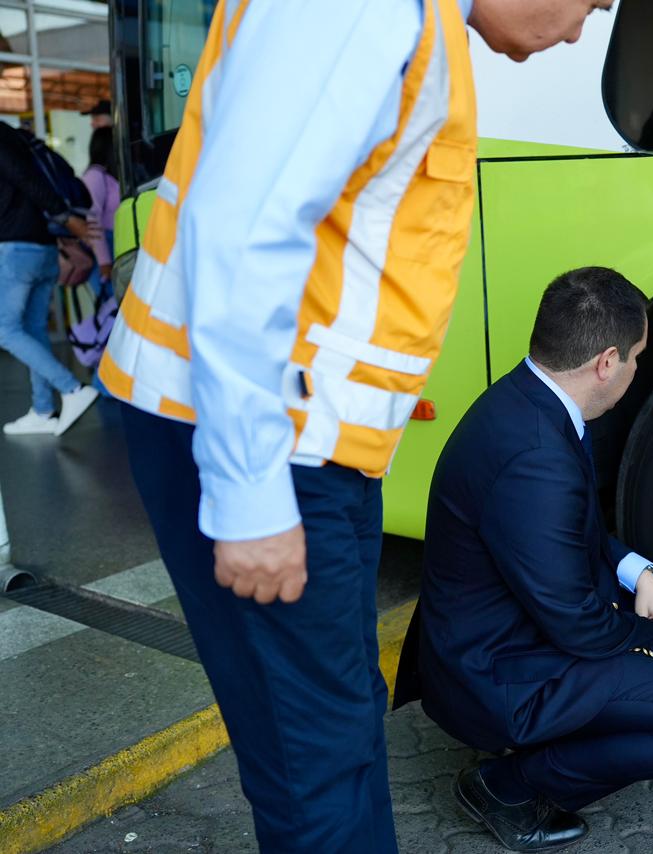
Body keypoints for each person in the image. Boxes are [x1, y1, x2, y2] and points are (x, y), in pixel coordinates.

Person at [98, 1, 616, 852]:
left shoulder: (418, 20)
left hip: (306, 444)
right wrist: (252, 494)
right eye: (592, 3)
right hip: (272, 440)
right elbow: (245, 232)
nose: (578, 31)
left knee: (337, 734)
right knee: (316, 760)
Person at [393, 268, 653, 852]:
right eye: (636, 357)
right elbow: (574, 619)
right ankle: (506, 785)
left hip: (507, 621)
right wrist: (645, 640)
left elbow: (568, 531)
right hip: (500, 670)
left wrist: (638, 571)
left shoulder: (528, 399)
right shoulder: (536, 458)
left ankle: (596, 709)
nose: (637, 367)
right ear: (607, 362)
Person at [0, 121, 100, 437]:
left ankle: (71, 388)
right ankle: (43, 411)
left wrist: (65, 218)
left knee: (5, 329)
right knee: (33, 329)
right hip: (42, 247)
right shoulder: (17, 137)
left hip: (15, 248)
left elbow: (25, 179)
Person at [82, 126, 120, 293]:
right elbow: (92, 220)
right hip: (105, 247)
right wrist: (104, 262)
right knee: (112, 302)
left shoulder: (112, 174)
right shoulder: (95, 176)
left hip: (117, 244)